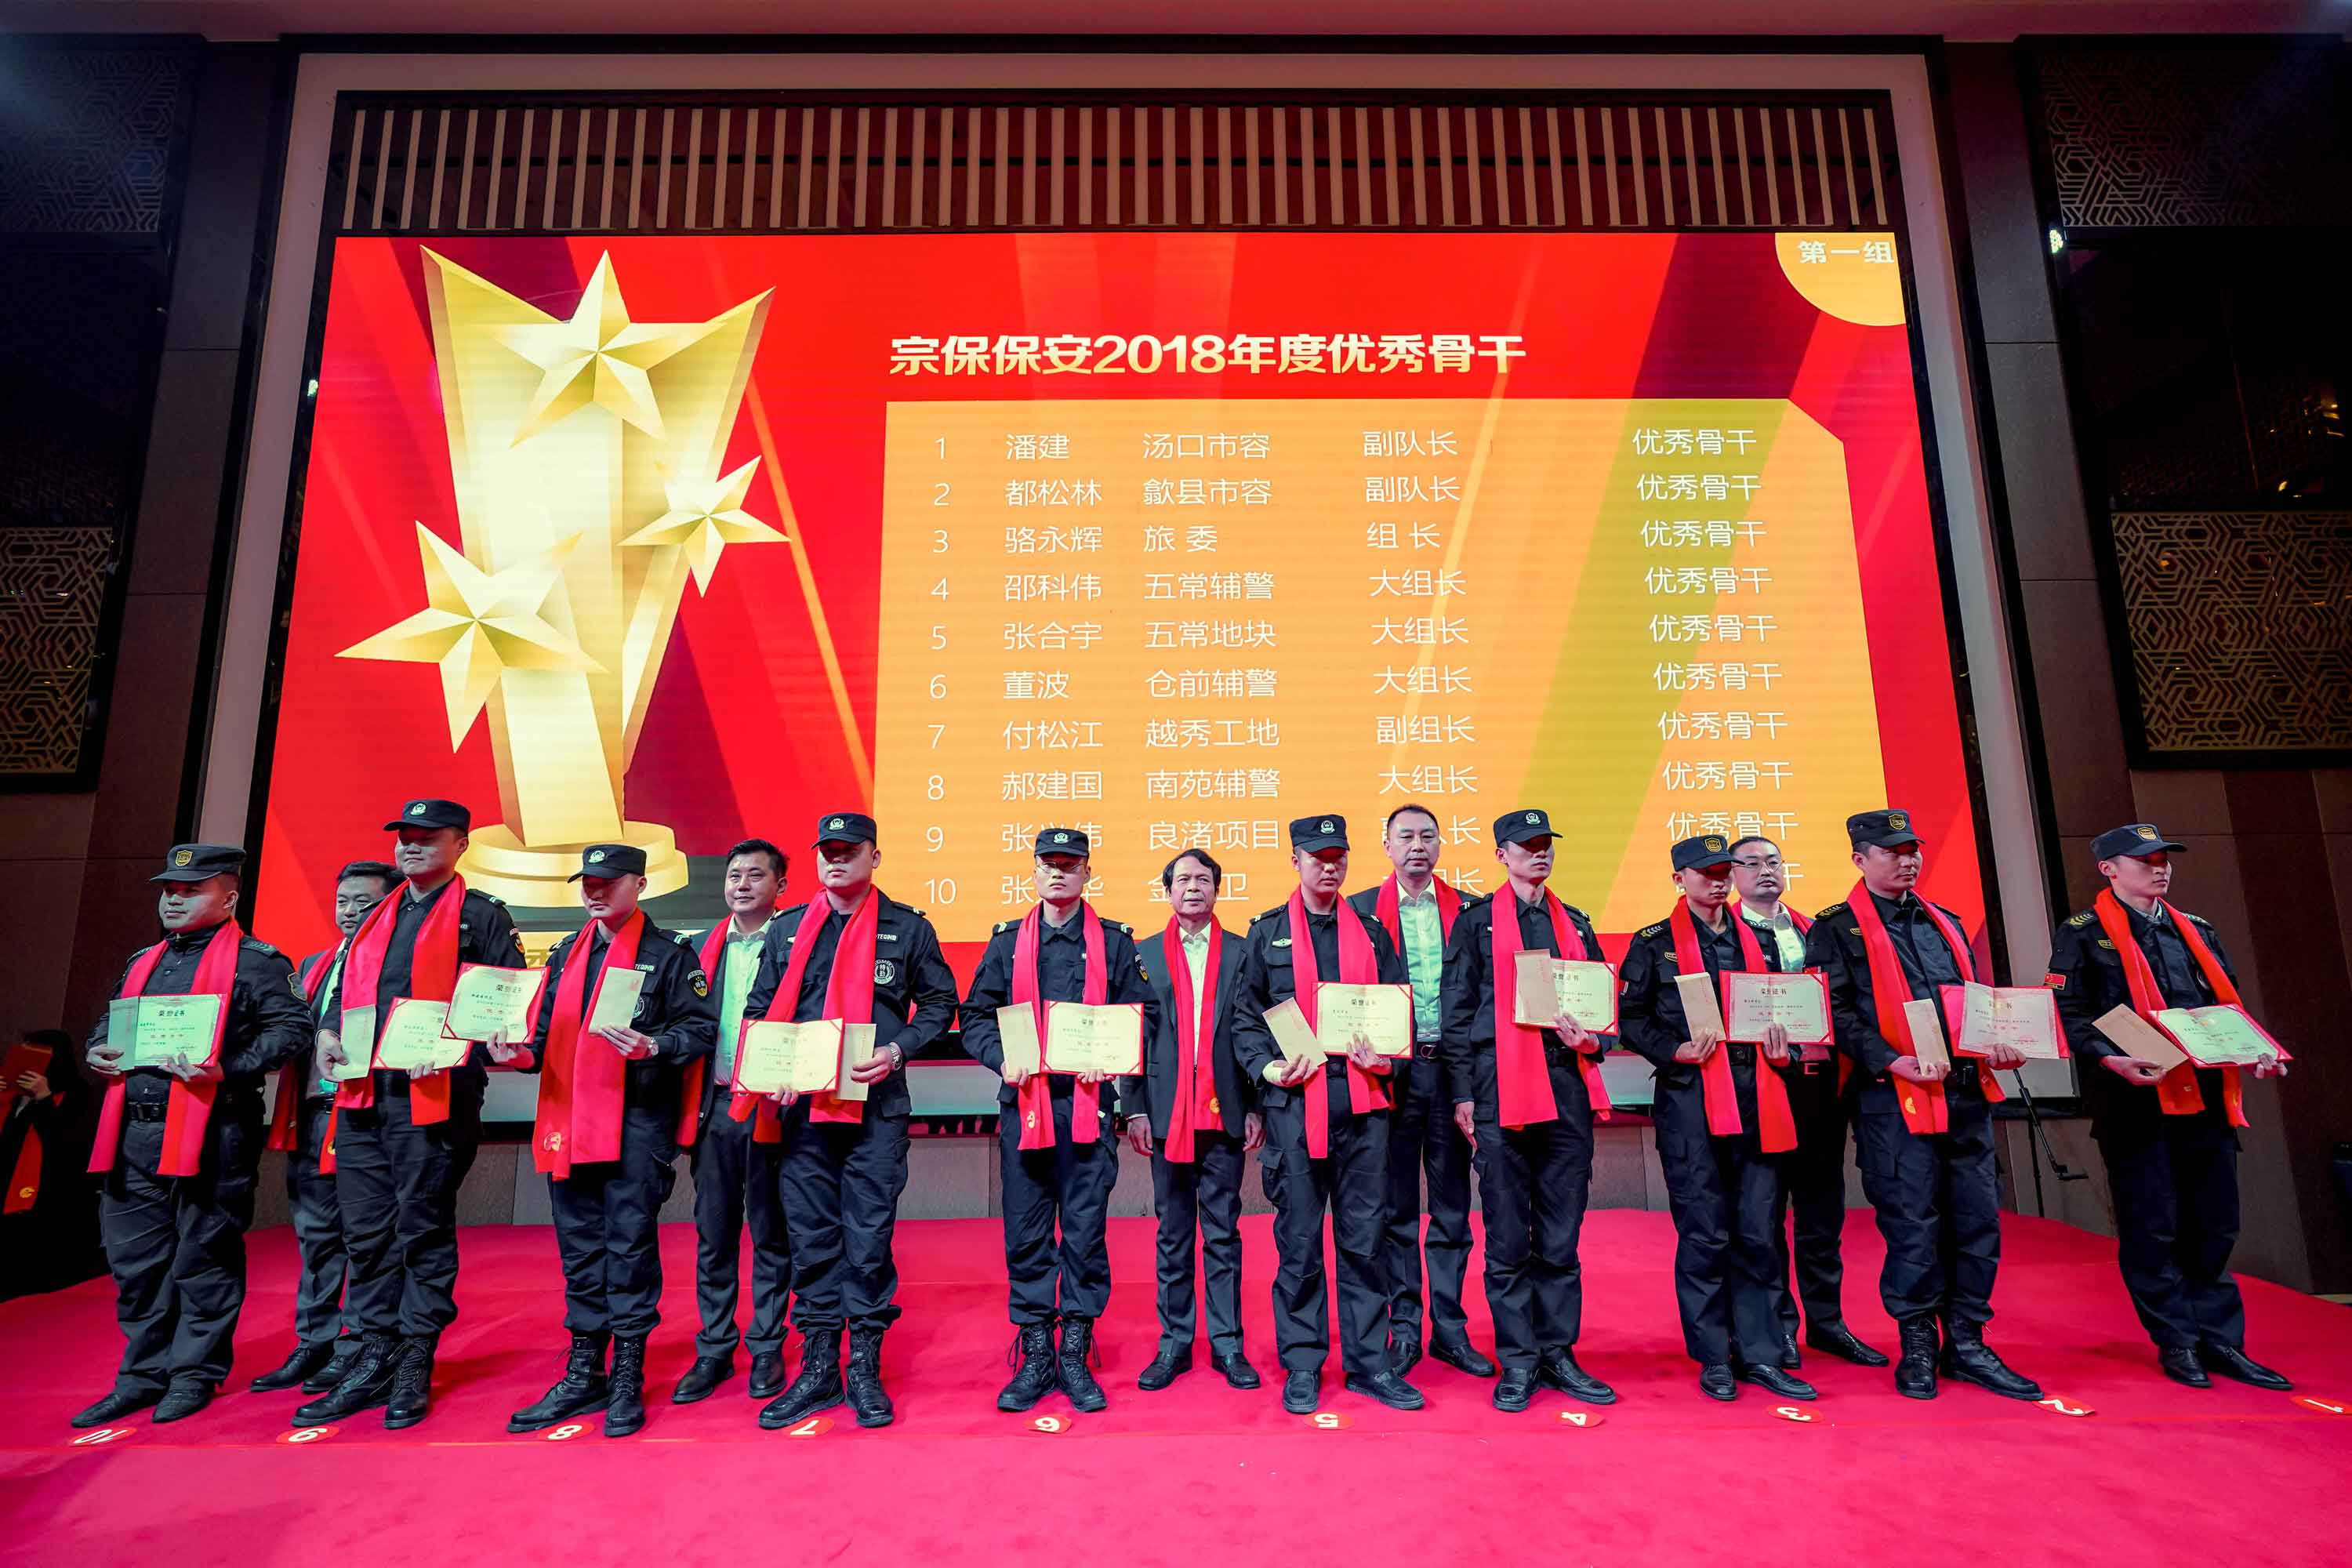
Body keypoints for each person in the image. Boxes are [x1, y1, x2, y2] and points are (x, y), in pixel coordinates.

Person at [295, 799, 524, 1430]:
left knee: (420, 1230)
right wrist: (327, 1033)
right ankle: (373, 1355)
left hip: (436, 1095)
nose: (412, 846)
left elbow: (504, 1001)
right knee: (366, 1234)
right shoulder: (376, 915)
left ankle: (415, 1359)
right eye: (405, 837)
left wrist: (455, 1046)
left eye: (429, 837)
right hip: (364, 1095)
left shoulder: (482, 915)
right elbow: (344, 995)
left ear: (461, 844)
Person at [72, 844, 310, 1427]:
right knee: (135, 1262)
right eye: (169, 891)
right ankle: (142, 1375)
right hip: (133, 1130)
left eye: (191, 891)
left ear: (229, 898)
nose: (173, 901)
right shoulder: (143, 960)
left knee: (205, 1255)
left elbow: (292, 1032)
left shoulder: (257, 961)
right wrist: (97, 1050)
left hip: (215, 1128)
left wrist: (226, 1067)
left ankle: (193, 1374)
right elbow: (110, 1025)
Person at [2046, 823, 2291, 1391]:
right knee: (2152, 1227)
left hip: (2206, 1099)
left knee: (2215, 1224)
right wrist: (2110, 1058)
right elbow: (2069, 1012)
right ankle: (2177, 1340)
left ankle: (2221, 1341)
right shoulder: (2083, 933)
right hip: (2136, 1101)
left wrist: (2255, 1053)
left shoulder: (2195, 930)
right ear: (2109, 869)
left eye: (2164, 860)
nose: (2159, 869)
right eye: (2145, 861)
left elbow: (2225, 1011)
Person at [1806, 808, 2038, 1402]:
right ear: (1860, 859)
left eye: (1912, 849)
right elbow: (1835, 1012)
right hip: (1892, 1097)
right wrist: (1890, 1060)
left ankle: (1968, 1343)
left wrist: (1999, 1043)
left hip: (1963, 1091)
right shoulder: (1836, 929)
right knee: (1912, 1222)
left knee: (1976, 1218)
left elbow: (1974, 1002)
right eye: (1892, 851)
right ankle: (1917, 1342)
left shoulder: (1947, 922)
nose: (1907, 860)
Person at [744, 812, 957, 1431]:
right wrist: (772, 1067)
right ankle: (818, 1370)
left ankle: (863, 1367)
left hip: (876, 1111)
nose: (836, 860)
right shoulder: (788, 930)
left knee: (868, 1242)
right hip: (803, 1114)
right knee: (811, 1242)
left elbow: (940, 1003)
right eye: (827, 851)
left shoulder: (908, 928)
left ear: (874, 857)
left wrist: (898, 1050)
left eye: (849, 850)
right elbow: (761, 1010)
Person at [503, 844, 717, 1438]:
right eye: (587, 883)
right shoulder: (565, 954)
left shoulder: (670, 954)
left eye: (607, 882)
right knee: (580, 1252)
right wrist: (516, 1053)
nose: (594, 892)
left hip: (636, 1124)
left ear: (639, 885)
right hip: (568, 1122)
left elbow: (701, 1029)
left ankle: (626, 1374)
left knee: (628, 1249)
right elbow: (539, 1038)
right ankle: (583, 1373)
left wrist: (655, 1046)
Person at [1229, 815, 1420, 1415]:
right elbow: (1244, 1019)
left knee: (1365, 1242)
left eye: (1338, 857)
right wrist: (1266, 1069)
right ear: (1296, 861)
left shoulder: (1372, 932)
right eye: (1318, 857)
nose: (1329, 866)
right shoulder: (1267, 935)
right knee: (1300, 1244)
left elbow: (1401, 1013)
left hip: (1364, 1108)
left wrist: (1387, 1061)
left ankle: (1369, 1364)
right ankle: (1304, 1363)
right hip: (1294, 1108)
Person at [960, 828, 1153, 1415]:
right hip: (1024, 1105)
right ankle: (1037, 1351)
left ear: (1087, 872)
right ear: (1035, 871)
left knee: (1085, 1234)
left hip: (1088, 1109)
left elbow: (1144, 1017)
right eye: (1050, 863)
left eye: (1071, 864)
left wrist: (1115, 1054)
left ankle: (1074, 1351)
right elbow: (975, 1018)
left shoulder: (1115, 943)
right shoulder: (1007, 944)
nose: (1059, 872)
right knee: (1026, 1233)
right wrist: (1002, 1058)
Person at [1619, 835, 1815, 1402]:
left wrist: (1787, 1051)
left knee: (1758, 1232)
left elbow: (1791, 1010)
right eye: (1705, 872)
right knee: (1705, 1233)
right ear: (1679, 878)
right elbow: (1629, 1018)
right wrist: (1672, 1049)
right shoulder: (1654, 944)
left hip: (1759, 1102)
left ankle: (1760, 1354)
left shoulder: (1761, 940)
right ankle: (1713, 1355)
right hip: (1690, 1105)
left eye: (1723, 870)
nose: (1718, 880)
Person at [1439, 809, 1617, 1414]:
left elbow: (1603, 1009)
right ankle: (1518, 1359)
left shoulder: (1577, 924)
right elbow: (1456, 1013)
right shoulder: (1475, 924)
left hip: (1566, 1089)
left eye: (1546, 845)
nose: (1539, 854)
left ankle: (1558, 1354)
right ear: (1502, 855)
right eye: (1526, 846)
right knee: (1509, 1237)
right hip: (1499, 1095)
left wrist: (1592, 1040)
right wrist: (1463, 1094)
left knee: (1561, 1238)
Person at [1729, 835, 1886, 1370]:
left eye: (1773, 861)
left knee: (1822, 1214)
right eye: (1752, 863)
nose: (1765, 871)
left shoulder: (1814, 929)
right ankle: (1779, 1324)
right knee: (1765, 1215)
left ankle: (1827, 1322)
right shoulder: (1724, 935)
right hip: (1762, 1090)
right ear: (1733, 875)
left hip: (1821, 1088)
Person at [1350, 804, 1493, 1380]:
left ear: (1440, 844)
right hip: (1391, 1075)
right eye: (1405, 836)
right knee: (1396, 1209)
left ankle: (1451, 1330)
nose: (1417, 845)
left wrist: (1470, 1084)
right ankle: (1405, 1328)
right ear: (1386, 845)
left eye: (1427, 836)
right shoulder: (1359, 911)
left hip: (1454, 1073)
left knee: (1453, 1208)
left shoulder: (1473, 913)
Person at [251, 859, 395, 1396]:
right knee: (316, 1236)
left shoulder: (396, 964)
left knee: (368, 1238)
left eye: (365, 902)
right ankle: (315, 1341)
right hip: (312, 1112)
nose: (351, 911)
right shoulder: (314, 964)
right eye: (343, 902)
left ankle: (359, 1345)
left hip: (366, 1114)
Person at [1123, 848, 1264, 1392]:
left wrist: (1254, 1105)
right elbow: (1133, 1035)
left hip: (1225, 1110)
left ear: (1217, 890)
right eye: (1182, 879)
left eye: (1203, 879)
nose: (1193, 888)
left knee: (1223, 1233)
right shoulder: (1142, 955)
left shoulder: (1243, 952)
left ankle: (1227, 1343)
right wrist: (1134, 1107)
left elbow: (1254, 1032)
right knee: (1173, 1234)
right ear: (1167, 892)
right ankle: (1174, 1343)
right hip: (1164, 1114)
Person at [672, 837, 794, 1408]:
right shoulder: (697, 948)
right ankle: (715, 1347)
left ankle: (767, 1344)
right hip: (714, 1105)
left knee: (771, 1232)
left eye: (755, 875)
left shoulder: (798, 943)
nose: (741, 885)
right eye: (734, 875)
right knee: (714, 1233)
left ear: (780, 886)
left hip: (773, 1105)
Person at [0, 1029, 100, 1302]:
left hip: (49, 1198)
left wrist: (43, 1099)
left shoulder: (77, 1093)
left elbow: (69, 1146)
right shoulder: (13, 1092)